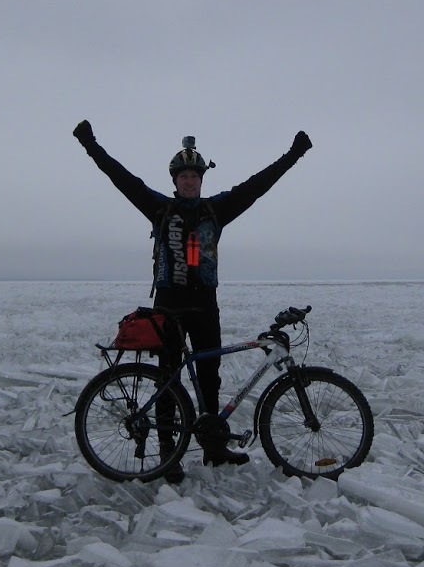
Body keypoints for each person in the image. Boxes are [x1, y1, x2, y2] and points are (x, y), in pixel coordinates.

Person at [73, 120, 312, 477]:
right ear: (175, 181)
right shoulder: (158, 207)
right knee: (168, 379)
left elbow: (257, 186)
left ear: (202, 180)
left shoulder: (217, 210)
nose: (189, 181)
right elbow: (122, 178)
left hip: (205, 306)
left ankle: (214, 450)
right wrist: (90, 144)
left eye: (195, 176)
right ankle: (168, 454)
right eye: (183, 176)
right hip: (168, 307)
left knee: (210, 378)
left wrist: (293, 154)